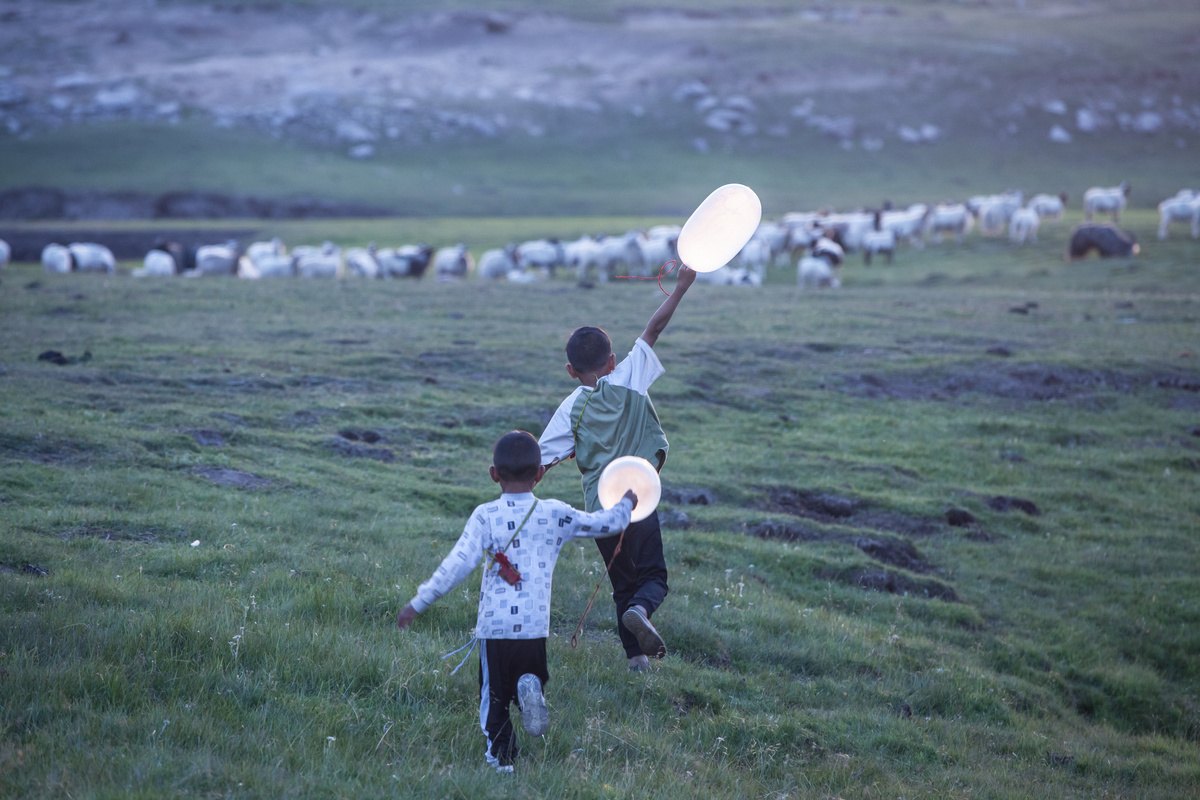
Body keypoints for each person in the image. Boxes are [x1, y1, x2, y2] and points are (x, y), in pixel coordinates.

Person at [396, 430, 636, 774]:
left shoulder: (484, 516)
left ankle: (502, 763)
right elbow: (603, 524)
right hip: (534, 627)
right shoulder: (554, 513)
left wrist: (418, 603)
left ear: (494, 474)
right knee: (527, 674)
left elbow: (457, 563)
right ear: (539, 474)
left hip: (495, 628)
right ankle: (532, 688)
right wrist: (626, 503)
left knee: (493, 700)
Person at [539, 265, 696, 672]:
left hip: (599, 509)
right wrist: (680, 288)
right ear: (611, 361)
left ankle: (636, 660)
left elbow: (537, 464)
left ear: (571, 372)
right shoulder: (628, 378)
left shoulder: (570, 407)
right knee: (653, 576)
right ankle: (642, 610)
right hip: (638, 498)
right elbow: (654, 328)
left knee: (620, 583)